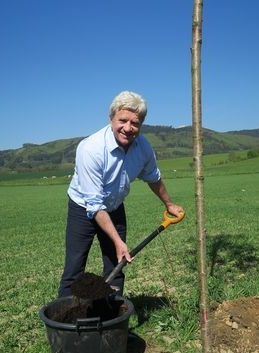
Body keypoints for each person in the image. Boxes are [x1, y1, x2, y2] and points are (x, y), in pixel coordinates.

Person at [58, 90, 185, 297]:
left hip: (115, 206)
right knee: (74, 268)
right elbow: (95, 205)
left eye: (135, 123)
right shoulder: (91, 149)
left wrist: (169, 204)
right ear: (111, 119)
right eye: (122, 120)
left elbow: (153, 177)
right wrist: (119, 241)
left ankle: (112, 319)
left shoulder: (143, 147)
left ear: (141, 124)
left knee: (117, 266)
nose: (128, 128)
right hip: (84, 209)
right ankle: (65, 323)